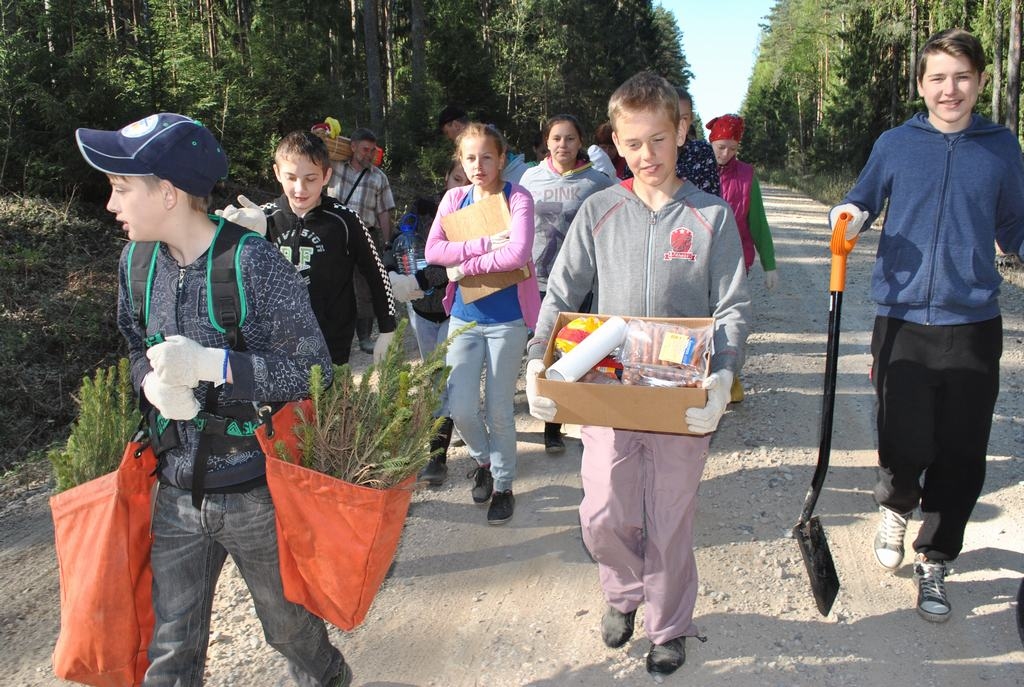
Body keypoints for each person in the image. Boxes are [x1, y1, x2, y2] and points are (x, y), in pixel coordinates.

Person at [75, 113, 353, 686]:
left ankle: (330, 677)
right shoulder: (135, 264)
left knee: (289, 629)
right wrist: (147, 385)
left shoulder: (253, 263)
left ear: (169, 193)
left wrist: (215, 366)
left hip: (255, 490)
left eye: (122, 187)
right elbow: (133, 347)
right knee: (170, 647)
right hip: (174, 491)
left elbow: (313, 372)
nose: (111, 204)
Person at [524, 73, 749, 676]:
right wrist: (537, 363)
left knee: (671, 518)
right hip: (610, 393)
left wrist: (724, 377)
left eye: (658, 139)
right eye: (633, 142)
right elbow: (562, 291)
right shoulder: (600, 210)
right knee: (601, 512)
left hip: (682, 398)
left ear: (680, 132)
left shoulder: (711, 217)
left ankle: (669, 624)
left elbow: (730, 306)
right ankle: (623, 592)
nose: (646, 155)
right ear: (616, 143)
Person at [831, 28, 1024, 623]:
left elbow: (1015, 227)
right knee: (904, 440)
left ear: (981, 83)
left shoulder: (1001, 147)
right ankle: (895, 501)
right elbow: (863, 199)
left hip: (973, 323)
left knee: (962, 453)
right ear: (921, 85)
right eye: (938, 78)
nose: (950, 89)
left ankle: (936, 559)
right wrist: (850, 215)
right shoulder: (895, 144)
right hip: (902, 320)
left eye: (962, 77)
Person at [425, 122, 540, 525]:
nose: (478, 165)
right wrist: (479, 246)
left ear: (501, 159)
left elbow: (517, 254)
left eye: (487, 157)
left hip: (508, 321)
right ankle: (486, 461)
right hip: (464, 319)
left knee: (498, 409)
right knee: (460, 407)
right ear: (461, 159)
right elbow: (434, 250)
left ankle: (504, 486)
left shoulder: (518, 196)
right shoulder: (454, 199)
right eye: (470, 157)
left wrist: (464, 266)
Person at [520, 114, 613, 453]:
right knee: (539, 350)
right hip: (536, 281)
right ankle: (546, 409)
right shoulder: (529, 178)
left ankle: (556, 427)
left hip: (578, 283)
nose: (563, 144)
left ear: (580, 143)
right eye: (557, 138)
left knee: (571, 353)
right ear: (546, 141)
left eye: (570, 138)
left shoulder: (597, 182)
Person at [262, 131, 396, 365]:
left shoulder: (345, 220)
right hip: (275, 343)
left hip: (331, 343)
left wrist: (388, 328)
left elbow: (377, 274)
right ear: (277, 173)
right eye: (291, 177)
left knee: (328, 402)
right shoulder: (263, 218)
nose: (300, 188)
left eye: (311, 178)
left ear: (326, 177)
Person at [706, 113, 778, 403]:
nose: (726, 154)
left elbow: (757, 222)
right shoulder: (695, 170)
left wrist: (769, 263)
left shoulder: (746, 175)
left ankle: (729, 378)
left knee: (728, 322)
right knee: (700, 321)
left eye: (732, 148)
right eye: (721, 147)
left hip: (736, 261)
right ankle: (697, 378)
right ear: (711, 143)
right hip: (699, 259)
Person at [327, 127, 395, 354]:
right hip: (332, 234)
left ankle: (365, 337)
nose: (368, 154)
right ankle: (331, 335)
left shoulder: (378, 177)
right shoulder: (333, 167)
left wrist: (387, 244)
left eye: (372, 151)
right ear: (353, 147)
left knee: (365, 287)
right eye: (365, 149)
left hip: (365, 234)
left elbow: (384, 212)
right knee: (332, 284)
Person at [674, 88, 720, 196]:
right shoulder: (647, 150)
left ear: (691, 119)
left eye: (684, 118)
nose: (679, 124)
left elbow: (712, 199)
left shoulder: (702, 152)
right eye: (673, 117)